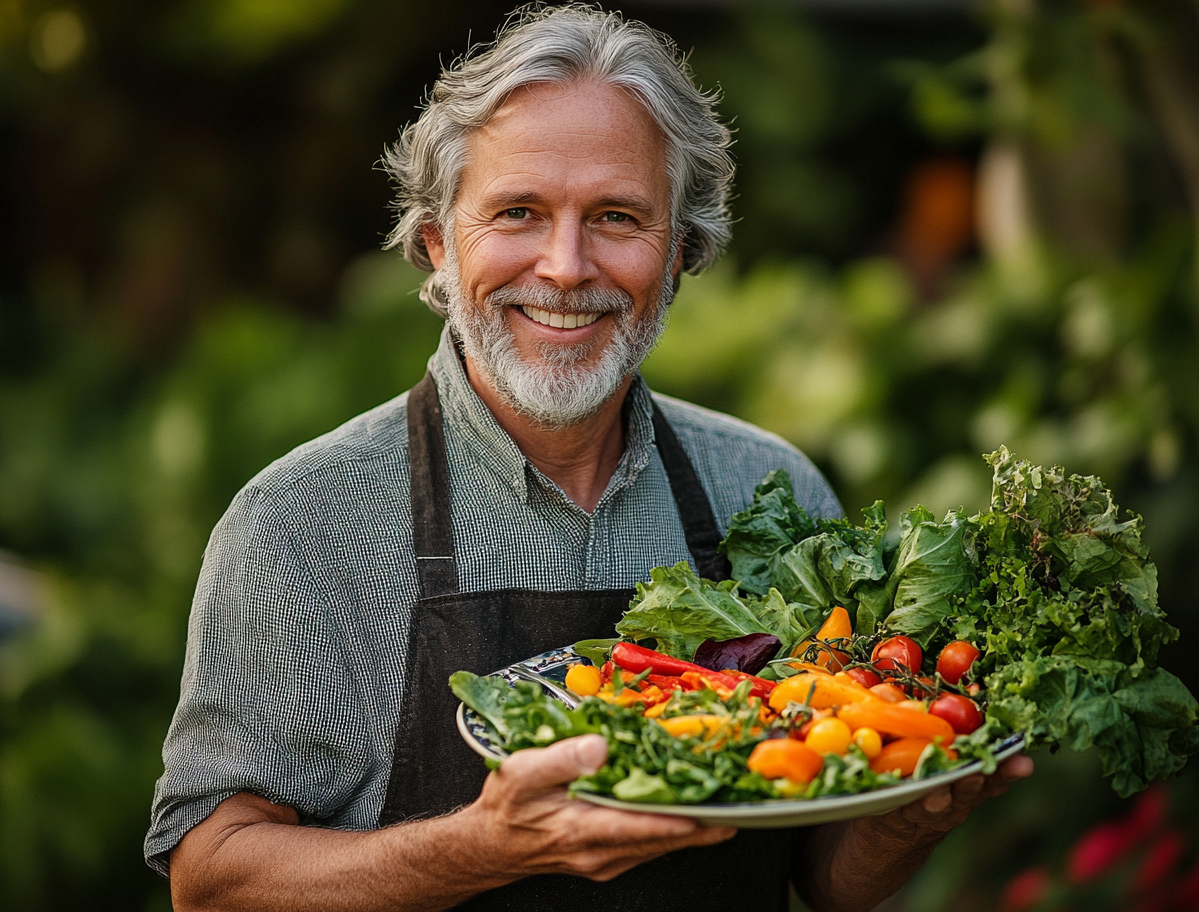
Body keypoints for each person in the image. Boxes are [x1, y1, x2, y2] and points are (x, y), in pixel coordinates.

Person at [145, 6, 1033, 910]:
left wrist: (907, 815)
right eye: (518, 212)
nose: (566, 266)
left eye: (616, 216)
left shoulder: (769, 492)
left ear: (682, 251)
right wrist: (482, 848)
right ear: (438, 245)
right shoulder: (301, 525)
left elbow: (826, 880)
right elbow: (212, 881)